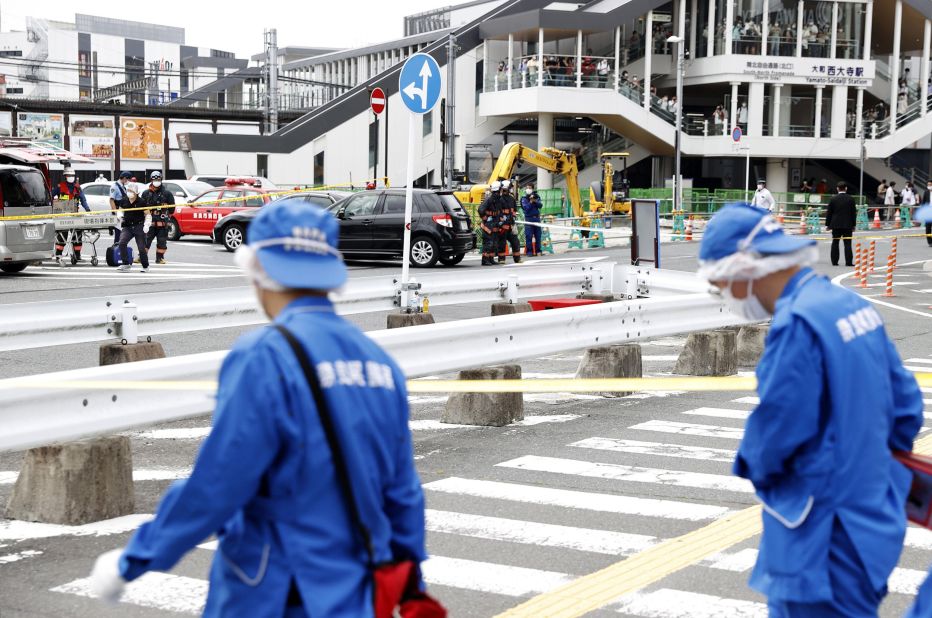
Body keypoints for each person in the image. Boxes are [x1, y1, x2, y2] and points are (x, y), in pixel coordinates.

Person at [87, 199, 433, 617]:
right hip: (354, 588)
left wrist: (134, 560)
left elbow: (220, 482)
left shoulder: (265, 356)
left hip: (274, 587)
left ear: (259, 270)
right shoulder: (378, 363)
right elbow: (402, 491)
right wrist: (412, 583)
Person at [697, 204, 924, 617]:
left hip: (820, 535)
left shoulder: (797, 324)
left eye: (721, 284)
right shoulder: (847, 304)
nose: (726, 295)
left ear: (744, 268)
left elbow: (776, 435)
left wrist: (755, 467)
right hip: (873, 517)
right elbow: (906, 405)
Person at [51, 167, 90, 262]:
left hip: (74, 215)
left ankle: (77, 255)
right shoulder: (60, 187)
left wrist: (87, 209)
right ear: (65, 176)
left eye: (72, 175)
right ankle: (58, 255)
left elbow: (83, 199)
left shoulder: (77, 187)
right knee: (62, 235)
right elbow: (50, 196)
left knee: (77, 234)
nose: (71, 177)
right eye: (69, 175)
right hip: (63, 215)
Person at [114, 183, 149, 273]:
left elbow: (148, 214)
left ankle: (145, 266)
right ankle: (126, 264)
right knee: (122, 242)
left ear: (136, 192)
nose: (129, 193)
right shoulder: (124, 200)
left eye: (131, 191)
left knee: (141, 247)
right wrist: (120, 215)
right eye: (128, 190)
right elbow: (120, 210)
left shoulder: (142, 202)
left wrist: (147, 224)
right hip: (127, 226)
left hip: (139, 226)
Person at [142, 171, 175, 265]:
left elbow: (172, 209)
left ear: (161, 180)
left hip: (162, 222)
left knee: (162, 241)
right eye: (154, 179)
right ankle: (142, 257)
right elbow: (141, 208)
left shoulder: (167, 194)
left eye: (158, 179)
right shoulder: (145, 194)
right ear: (151, 180)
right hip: (149, 222)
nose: (156, 181)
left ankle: (160, 258)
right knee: (145, 241)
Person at [825, 181, 857, 266]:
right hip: (847, 225)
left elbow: (829, 213)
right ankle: (849, 262)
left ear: (837, 189)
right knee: (847, 243)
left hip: (835, 225)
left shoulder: (833, 199)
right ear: (846, 188)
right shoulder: (851, 199)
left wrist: (828, 225)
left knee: (835, 242)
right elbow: (853, 213)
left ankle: (834, 261)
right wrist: (854, 225)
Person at [478, 181, 503, 266]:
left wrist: (501, 218)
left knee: (494, 243)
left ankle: (491, 259)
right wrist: (484, 217)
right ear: (497, 190)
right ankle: (485, 260)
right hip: (488, 225)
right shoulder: (489, 200)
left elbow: (499, 211)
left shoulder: (497, 200)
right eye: (500, 190)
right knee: (489, 243)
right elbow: (481, 209)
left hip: (495, 224)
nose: (501, 192)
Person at [497, 179, 521, 263]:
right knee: (502, 243)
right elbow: (498, 212)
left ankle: (517, 259)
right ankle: (501, 259)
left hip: (511, 224)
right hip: (503, 225)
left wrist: (513, 217)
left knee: (515, 242)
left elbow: (514, 210)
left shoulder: (511, 199)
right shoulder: (499, 199)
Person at [109, 171, 133, 242]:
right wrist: (115, 213)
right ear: (125, 178)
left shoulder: (122, 187)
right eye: (129, 180)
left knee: (123, 233)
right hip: (118, 212)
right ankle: (117, 249)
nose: (129, 182)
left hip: (123, 212)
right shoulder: (115, 187)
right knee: (118, 233)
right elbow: (111, 200)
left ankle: (120, 249)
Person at [521, 186, 543, 256]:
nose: (528, 189)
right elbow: (526, 208)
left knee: (538, 235)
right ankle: (529, 251)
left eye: (530, 188)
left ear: (532, 189)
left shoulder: (537, 196)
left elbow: (540, 205)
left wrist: (535, 201)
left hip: (536, 218)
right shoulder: (524, 198)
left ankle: (538, 251)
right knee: (529, 236)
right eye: (527, 188)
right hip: (528, 219)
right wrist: (530, 202)